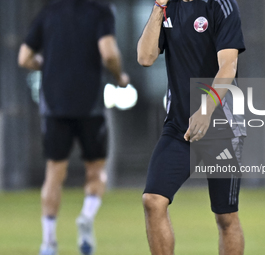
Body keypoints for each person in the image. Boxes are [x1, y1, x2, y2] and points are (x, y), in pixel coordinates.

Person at [18, 0, 129, 254]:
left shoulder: (49, 11)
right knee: (96, 170)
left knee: (54, 174)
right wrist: (119, 77)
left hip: (55, 106)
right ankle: (86, 217)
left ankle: (48, 242)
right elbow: (109, 53)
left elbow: (24, 57)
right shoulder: (101, 10)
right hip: (90, 105)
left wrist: (47, 65)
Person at [137, 0, 246, 254]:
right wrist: (158, 8)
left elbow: (228, 66)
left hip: (222, 127)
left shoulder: (221, 5)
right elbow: (145, 57)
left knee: (225, 216)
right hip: (179, 127)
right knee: (153, 201)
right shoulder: (167, 7)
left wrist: (206, 110)